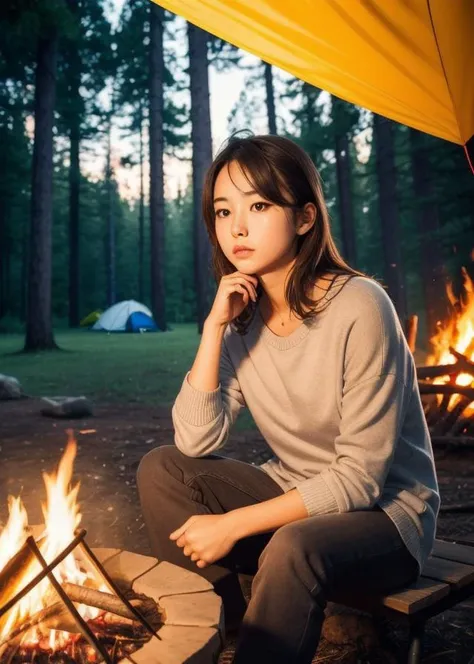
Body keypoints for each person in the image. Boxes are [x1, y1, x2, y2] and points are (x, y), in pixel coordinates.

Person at [137, 133, 439, 664]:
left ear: (304, 218)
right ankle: (216, 632)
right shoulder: (240, 319)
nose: (237, 227)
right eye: (222, 210)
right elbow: (195, 439)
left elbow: (360, 480)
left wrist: (231, 525)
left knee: (294, 546)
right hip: (296, 496)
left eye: (258, 205)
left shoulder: (362, 306)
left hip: (387, 518)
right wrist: (213, 329)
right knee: (163, 469)